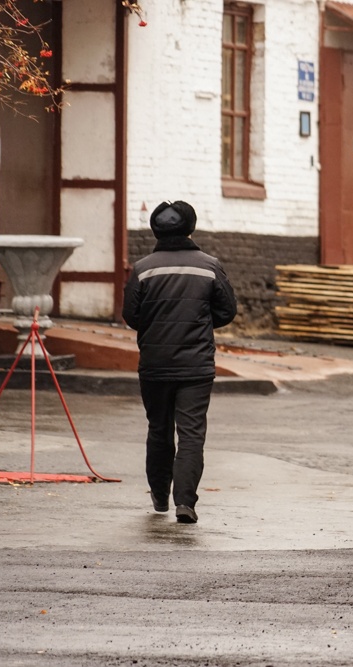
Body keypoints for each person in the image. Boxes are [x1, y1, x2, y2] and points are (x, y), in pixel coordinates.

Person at [122, 201, 238, 525]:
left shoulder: (143, 268)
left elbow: (131, 315)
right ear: (191, 227)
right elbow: (227, 311)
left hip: (154, 365)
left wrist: (158, 326)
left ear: (155, 229)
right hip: (196, 367)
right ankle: (185, 503)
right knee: (191, 434)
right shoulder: (209, 265)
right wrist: (197, 323)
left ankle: (159, 496)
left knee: (158, 429)